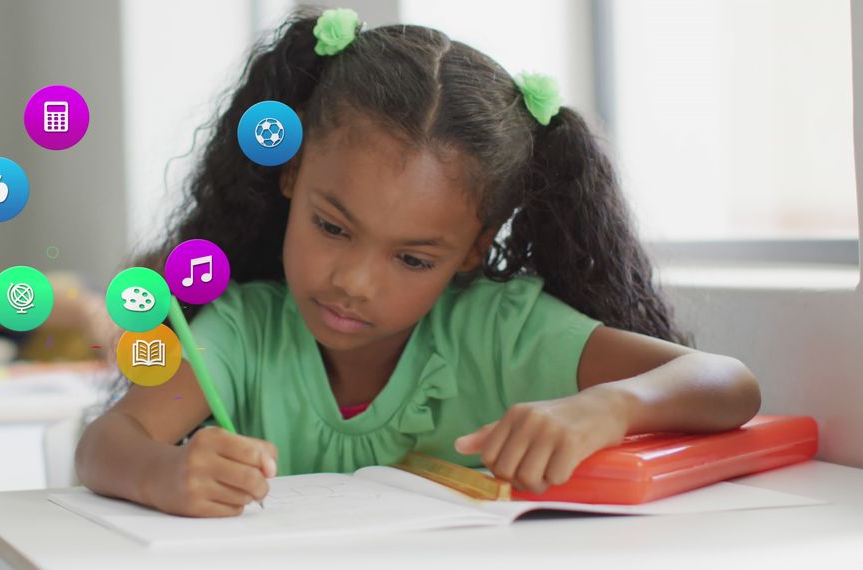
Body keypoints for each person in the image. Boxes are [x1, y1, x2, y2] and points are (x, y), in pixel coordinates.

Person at [75, 7, 761, 518]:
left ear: (470, 247)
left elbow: (727, 384)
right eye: (331, 225)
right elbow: (109, 441)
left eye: (410, 257)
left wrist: (608, 409)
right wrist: (161, 475)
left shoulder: (502, 333)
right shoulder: (246, 330)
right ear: (290, 173)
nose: (353, 280)